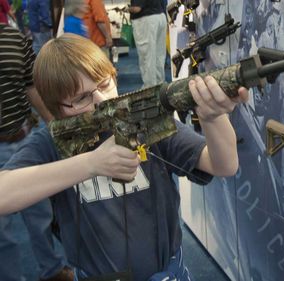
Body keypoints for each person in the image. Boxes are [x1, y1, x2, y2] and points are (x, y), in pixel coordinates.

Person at [0, 33, 248, 280]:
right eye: (81, 98)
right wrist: (91, 164)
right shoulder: (50, 143)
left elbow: (223, 164)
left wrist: (213, 117)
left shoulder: (144, 117)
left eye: (104, 84)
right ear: (57, 107)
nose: (101, 100)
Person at [0, 23, 73, 281]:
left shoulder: (12, 37)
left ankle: (52, 270)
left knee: (41, 212)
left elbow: (31, 86)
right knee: (1, 230)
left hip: (23, 138)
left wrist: (56, 126)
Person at [129, 0, 167, 87]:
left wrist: (126, 9)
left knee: (147, 57)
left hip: (146, 20)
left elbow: (136, 9)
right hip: (160, 16)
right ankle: (160, 86)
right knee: (159, 56)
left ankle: (150, 90)